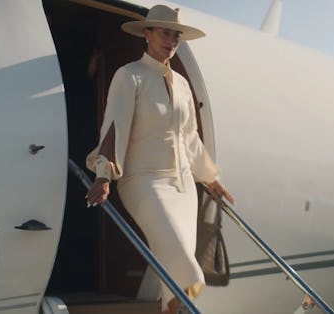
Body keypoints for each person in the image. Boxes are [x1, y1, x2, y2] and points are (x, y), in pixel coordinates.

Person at [84, 5, 234, 314]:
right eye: (165, 33)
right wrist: (103, 174)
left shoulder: (181, 83)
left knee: (173, 280)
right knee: (187, 271)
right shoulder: (129, 76)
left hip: (184, 189)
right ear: (148, 34)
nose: (171, 40)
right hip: (145, 182)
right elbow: (115, 126)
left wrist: (209, 178)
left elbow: (190, 136)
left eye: (176, 35)